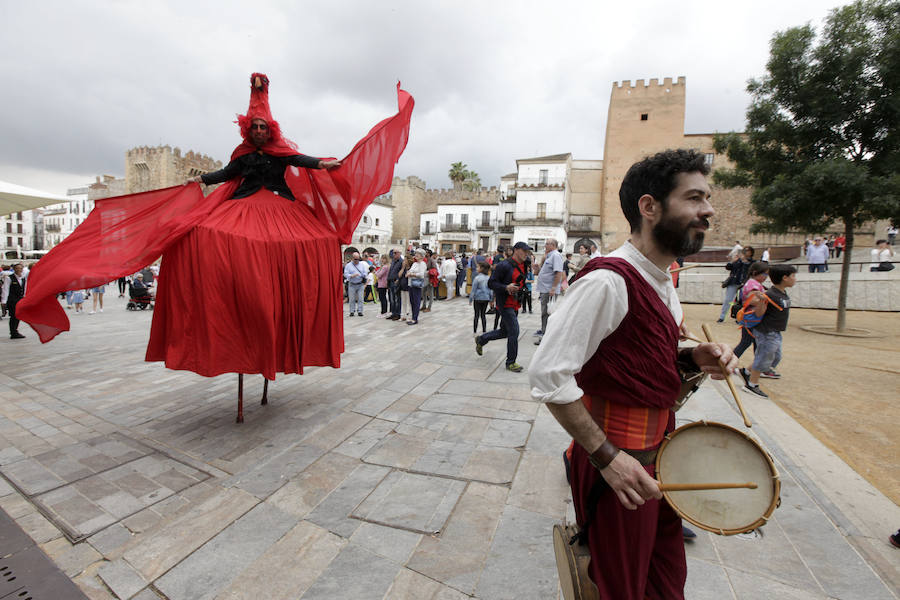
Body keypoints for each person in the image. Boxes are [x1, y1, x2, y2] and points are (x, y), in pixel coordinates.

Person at [18, 73, 413, 386]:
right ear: (247, 129)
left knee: (316, 242)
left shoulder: (280, 152)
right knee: (196, 236)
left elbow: (302, 159)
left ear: (269, 129)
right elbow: (225, 174)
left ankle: (274, 321)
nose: (258, 131)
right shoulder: (242, 156)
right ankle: (232, 313)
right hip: (242, 207)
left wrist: (325, 164)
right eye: (253, 126)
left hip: (279, 208)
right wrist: (197, 182)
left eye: (263, 126)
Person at [529, 149, 738, 600]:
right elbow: (548, 376)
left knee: (664, 582)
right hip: (622, 471)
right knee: (621, 589)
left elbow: (636, 358)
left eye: (708, 198)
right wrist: (608, 458)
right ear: (649, 207)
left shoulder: (662, 279)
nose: (708, 210)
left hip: (659, 456)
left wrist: (691, 357)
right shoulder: (607, 282)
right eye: (695, 198)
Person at [474, 241, 531, 373]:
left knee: (505, 332)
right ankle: (511, 362)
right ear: (516, 250)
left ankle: (482, 339)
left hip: (516, 302)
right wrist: (506, 287)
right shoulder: (503, 265)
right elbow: (491, 283)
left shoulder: (525, 263)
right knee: (514, 331)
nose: (527, 254)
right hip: (505, 303)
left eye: (528, 252)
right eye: (524, 251)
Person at [741, 264, 796, 398]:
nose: (795, 279)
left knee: (775, 357)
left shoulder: (781, 292)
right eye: (793, 276)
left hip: (775, 331)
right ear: (785, 278)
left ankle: (747, 372)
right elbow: (759, 314)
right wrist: (761, 301)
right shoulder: (770, 294)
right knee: (764, 356)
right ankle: (752, 384)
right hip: (767, 331)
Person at [733, 261, 770, 360]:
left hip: (752, 318)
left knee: (753, 343)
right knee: (746, 342)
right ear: (755, 272)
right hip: (752, 318)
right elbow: (753, 300)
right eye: (764, 274)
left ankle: (757, 366)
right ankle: (729, 361)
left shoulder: (753, 283)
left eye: (767, 274)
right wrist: (766, 300)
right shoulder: (753, 284)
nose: (766, 276)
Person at [535, 238, 565, 344]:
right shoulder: (549, 256)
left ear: (553, 245)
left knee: (546, 313)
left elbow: (558, 273)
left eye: (547, 244)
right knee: (545, 312)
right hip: (545, 288)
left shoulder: (556, 255)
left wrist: (553, 287)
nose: (545, 246)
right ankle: (544, 332)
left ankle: (546, 336)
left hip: (549, 289)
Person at [717, 246, 754, 322]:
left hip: (744, 284)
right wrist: (733, 261)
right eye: (745, 251)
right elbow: (728, 267)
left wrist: (744, 261)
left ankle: (739, 317)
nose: (745, 252)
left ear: (751, 253)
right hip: (733, 282)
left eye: (747, 251)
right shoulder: (738, 260)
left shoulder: (752, 262)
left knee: (742, 301)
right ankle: (722, 316)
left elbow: (751, 269)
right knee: (728, 300)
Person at [1, 263, 27, 339]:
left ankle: (15, 330)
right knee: (13, 316)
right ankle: (13, 332)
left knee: (18, 316)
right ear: (14, 269)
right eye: (17, 268)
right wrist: (4, 301)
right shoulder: (9, 278)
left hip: (20, 300)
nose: (19, 270)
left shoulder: (23, 278)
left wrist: (25, 298)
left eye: (20, 268)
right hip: (12, 300)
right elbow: (5, 290)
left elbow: (24, 289)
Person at [469, 261, 492, 334]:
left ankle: (475, 330)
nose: (476, 268)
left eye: (478, 267)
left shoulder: (477, 278)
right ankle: (484, 330)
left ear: (481, 268)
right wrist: (491, 299)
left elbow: (473, 290)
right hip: (486, 298)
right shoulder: (488, 278)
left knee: (476, 315)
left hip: (478, 298)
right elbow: (490, 289)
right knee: (483, 315)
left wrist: (470, 299)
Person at [406, 249, 427, 325]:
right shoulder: (415, 264)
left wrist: (411, 274)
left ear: (422, 256)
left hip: (417, 285)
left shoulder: (423, 264)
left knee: (416, 301)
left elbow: (421, 274)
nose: (416, 255)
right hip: (410, 284)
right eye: (416, 253)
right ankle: (412, 317)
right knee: (412, 301)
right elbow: (410, 270)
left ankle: (415, 318)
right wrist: (408, 273)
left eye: (418, 254)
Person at [344, 252, 367, 317]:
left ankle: (360, 311)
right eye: (355, 259)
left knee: (360, 298)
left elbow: (365, 273)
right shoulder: (348, 265)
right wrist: (351, 275)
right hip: (352, 284)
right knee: (351, 299)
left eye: (358, 259)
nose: (357, 261)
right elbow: (346, 274)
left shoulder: (362, 265)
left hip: (360, 284)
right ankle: (352, 311)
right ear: (352, 258)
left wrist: (363, 275)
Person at [387, 249, 403, 320]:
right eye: (393, 253)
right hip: (391, 281)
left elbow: (402, 272)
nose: (394, 254)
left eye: (395, 253)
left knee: (397, 299)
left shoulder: (401, 262)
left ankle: (397, 314)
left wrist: (398, 280)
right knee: (391, 299)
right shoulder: (393, 261)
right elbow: (390, 271)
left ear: (399, 253)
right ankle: (393, 313)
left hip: (396, 282)